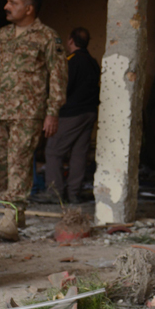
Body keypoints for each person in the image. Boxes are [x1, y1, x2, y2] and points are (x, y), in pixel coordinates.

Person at [0, 0, 68, 242]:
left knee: (19, 161)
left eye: (13, 2)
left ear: (29, 8)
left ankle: (10, 217)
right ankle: (15, 212)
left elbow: (58, 77)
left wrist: (52, 112)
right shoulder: (0, 36)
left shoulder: (48, 37)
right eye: (7, 1)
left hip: (29, 113)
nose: (6, 6)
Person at [41, 27, 101, 204]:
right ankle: (74, 193)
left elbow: (63, 88)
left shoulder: (71, 61)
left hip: (72, 113)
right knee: (79, 154)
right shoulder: (93, 62)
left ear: (71, 40)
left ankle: (54, 193)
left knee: (53, 151)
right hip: (89, 112)